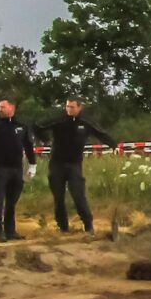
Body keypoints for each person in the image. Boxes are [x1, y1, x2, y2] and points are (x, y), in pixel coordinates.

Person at [36, 98, 119, 234]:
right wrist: (45, 139)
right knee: (59, 198)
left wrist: (114, 146)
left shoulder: (85, 122)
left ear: (79, 108)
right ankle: (63, 227)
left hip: (74, 164)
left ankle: (88, 225)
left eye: (72, 107)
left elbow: (101, 133)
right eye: (67, 106)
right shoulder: (58, 120)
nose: (69, 109)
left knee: (78, 196)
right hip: (57, 164)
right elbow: (37, 127)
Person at [0, 98, 39, 242]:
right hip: (0, 168)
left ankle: (10, 231)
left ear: (12, 108)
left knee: (12, 202)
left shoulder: (22, 126)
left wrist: (33, 164)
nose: (0, 109)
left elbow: (28, 145)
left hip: (16, 169)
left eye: (3, 107)